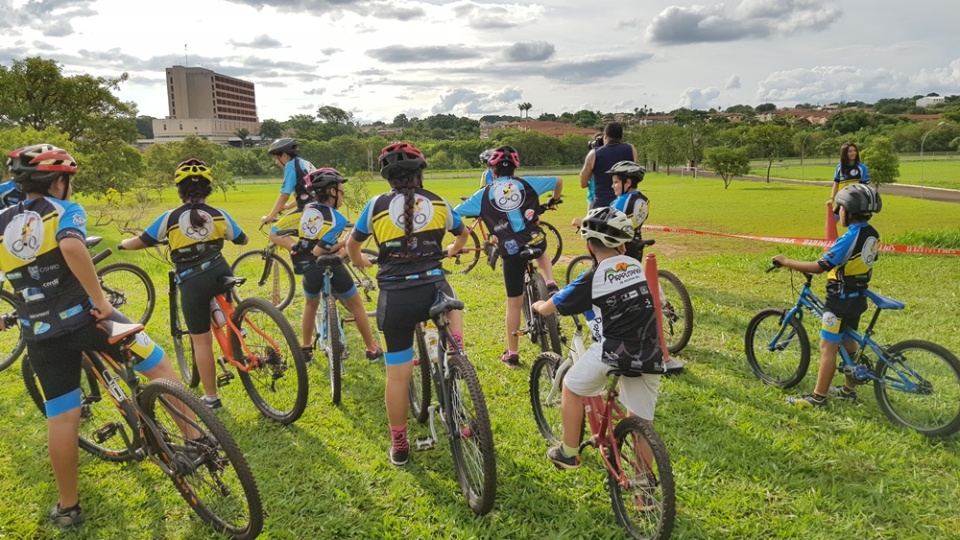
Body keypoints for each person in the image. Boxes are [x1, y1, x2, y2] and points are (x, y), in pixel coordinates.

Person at [0, 144, 200, 531]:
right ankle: (191, 439)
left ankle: (68, 507)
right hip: (89, 320)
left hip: (40, 334)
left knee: (62, 418)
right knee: (158, 363)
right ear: (59, 181)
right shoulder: (62, 211)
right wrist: (101, 302)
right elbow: (73, 246)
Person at [346, 142, 470, 466]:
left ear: (388, 178)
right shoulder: (439, 201)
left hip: (396, 299)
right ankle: (455, 352)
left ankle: (400, 445)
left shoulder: (375, 205)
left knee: (397, 377)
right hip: (434, 288)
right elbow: (463, 233)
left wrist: (362, 263)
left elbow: (352, 245)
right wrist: (451, 251)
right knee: (452, 302)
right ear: (420, 173)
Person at [532, 207, 666, 469]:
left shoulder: (592, 277)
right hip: (651, 350)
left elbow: (553, 305)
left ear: (589, 247)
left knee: (571, 386)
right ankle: (645, 490)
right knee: (641, 421)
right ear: (623, 245)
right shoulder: (636, 268)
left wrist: (538, 306)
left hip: (613, 349)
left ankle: (569, 453)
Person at [120, 158, 248, 409]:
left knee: (201, 341)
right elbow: (242, 239)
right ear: (208, 189)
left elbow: (140, 241)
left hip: (192, 280)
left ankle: (211, 397)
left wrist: (122, 243)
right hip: (220, 270)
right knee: (220, 294)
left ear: (180, 190)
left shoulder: (170, 218)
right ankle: (233, 327)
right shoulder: (220, 215)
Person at [773, 183, 882, 408]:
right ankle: (848, 390)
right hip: (857, 297)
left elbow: (820, 266)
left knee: (828, 347)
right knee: (849, 340)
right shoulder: (871, 233)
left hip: (839, 299)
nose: (838, 212)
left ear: (848, 212)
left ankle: (817, 398)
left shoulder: (850, 237)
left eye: (840, 208)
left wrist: (786, 262)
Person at [455, 145, 562, 367]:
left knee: (514, 302)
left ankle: (513, 354)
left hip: (510, 249)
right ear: (515, 168)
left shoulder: (483, 193)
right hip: (534, 239)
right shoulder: (528, 183)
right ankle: (550, 282)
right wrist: (552, 201)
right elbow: (558, 181)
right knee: (541, 246)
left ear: (491, 172)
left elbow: (454, 213)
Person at [269, 167, 382, 361]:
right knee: (356, 305)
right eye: (341, 191)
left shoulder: (304, 211)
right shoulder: (338, 219)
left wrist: (295, 247)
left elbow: (274, 232)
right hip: (331, 266)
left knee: (310, 305)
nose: (342, 195)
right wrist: (345, 243)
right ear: (332, 192)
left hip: (309, 269)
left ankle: (305, 347)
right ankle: (371, 348)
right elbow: (320, 250)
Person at [573, 160, 648, 260]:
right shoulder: (643, 199)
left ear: (628, 183)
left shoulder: (621, 202)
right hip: (637, 244)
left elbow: (605, 225)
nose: (612, 186)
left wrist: (581, 222)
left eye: (616, 182)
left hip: (620, 248)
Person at [580, 122, 638, 209]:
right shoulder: (631, 149)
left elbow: (583, 179)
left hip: (601, 203)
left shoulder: (594, 153)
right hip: (625, 203)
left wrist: (587, 184)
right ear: (621, 136)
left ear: (605, 135)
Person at [261, 137, 316, 225]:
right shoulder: (304, 163)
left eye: (276, 158)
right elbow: (308, 195)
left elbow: (284, 195)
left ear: (284, 156)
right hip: (319, 208)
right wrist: (288, 206)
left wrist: (270, 217)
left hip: (309, 210)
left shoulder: (291, 166)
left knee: (275, 233)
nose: (276, 162)